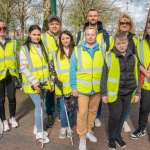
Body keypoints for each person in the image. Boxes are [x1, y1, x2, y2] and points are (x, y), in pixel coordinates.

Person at [101, 31, 140, 150]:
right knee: (114, 116)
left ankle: (118, 136)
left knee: (123, 116)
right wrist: (104, 93)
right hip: (115, 93)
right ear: (114, 44)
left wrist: (137, 92)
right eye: (118, 43)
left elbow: (136, 75)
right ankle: (111, 138)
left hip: (128, 92)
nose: (121, 45)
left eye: (123, 43)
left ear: (127, 42)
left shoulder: (133, 57)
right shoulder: (109, 56)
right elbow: (104, 76)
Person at [20, 25, 56, 143]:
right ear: (29, 34)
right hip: (33, 84)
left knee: (42, 106)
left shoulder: (44, 47)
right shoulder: (24, 49)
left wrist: (51, 81)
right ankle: (40, 133)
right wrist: (34, 82)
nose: (36, 37)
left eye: (38, 34)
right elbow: (24, 68)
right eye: (34, 34)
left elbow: (50, 66)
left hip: (44, 83)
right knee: (40, 106)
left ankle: (36, 127)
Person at [76, 8, 112, 127]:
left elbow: (107, 49)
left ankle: (96, 116)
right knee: (84, 103)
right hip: (85, 68)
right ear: (87, 17)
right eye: (90, 15)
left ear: (98, 17)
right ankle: (86, 119)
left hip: (99, 66)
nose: (93, 17)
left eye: (95, 15)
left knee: (98, 93)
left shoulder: (105, 33)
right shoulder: (81, 33)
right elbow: (78, 49)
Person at [70, 27, 104, 150]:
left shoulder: (101, 49)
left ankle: (89, 130)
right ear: (85, 36)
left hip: (96, 89)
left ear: (96, 36)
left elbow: (104, 68)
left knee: (92, 112)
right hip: (82, 89)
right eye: (88, 34)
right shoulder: (77, 50)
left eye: (92, 34)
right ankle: (82, 137)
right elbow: (72, 70)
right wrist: (73, 87)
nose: (90, 36)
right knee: (82, 113)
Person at [117, 14, 139, 133]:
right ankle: (117, 120)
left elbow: (138, 56)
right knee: (117, 101)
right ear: (119, 24)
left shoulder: (135, 38)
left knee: (128, 100)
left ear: (130, 25)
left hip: (130, 74)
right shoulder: (113, 37)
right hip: (117, 75)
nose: (125, 25)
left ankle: (124, 120)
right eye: (122, 23)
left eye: (127, 23)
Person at [130, 20, 150, 140]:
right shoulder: (141, 44)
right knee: (144, 108)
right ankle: (141, 129)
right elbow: (137, 61)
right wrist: (145, 72)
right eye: (149, 28)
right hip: (146, 83)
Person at [41, 15, 61, 128]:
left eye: (57, 24)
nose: (54, 26)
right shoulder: (43, 37)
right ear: (48, 25)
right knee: (49, 93)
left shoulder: (63, 35)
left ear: (59, 25)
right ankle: (50, 114)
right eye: (52, 24)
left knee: (60, 93)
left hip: (60, 70)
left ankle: (60, 113)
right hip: (48, 70)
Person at [54, 30, 75, 139]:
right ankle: (63, 127)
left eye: (67, 38)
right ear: (60, 40)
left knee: (71, 107)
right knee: (63, 109)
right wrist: (55, 79)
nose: (65, 40)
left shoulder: (76, 51)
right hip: (61, 86)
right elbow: (52, 68)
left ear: (70, 39)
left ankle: (69, 127)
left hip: (73, 86)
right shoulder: (56, 53)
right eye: (63, 38)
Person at [0, 19, 19, 131]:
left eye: (4, 28)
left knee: (12, 97)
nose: (2, 30)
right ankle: (3, 120)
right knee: (1, 99)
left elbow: (15, 58)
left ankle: (12, 118)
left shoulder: (12, 42)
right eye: (0, 28)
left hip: (11, 74)